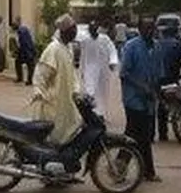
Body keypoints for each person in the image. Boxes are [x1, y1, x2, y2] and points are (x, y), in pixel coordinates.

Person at [119, 17, 163, 182]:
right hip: (133, 99)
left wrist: (157, 92)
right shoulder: (131, 47)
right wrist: (142, 87)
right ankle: (124, 168)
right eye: (146, 28)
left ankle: (142, 170)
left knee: (142, 135)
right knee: (136, 134)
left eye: (152, 28)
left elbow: (158, 73)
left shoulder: (157, 47)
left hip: (149, 101)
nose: (150, 31)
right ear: (139, 29)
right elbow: (124, 73)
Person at [30, 13, 82, 146]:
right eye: (73, 29)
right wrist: (38, 91)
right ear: (65, 31)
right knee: (53, 134)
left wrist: (76, 90)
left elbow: (72, 74)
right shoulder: (53, 49)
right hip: (54, 102)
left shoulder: (68, 48)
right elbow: (41, 75)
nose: (75, 32)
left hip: (67, 100)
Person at [78, 20, 119, 118]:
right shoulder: (85, 41)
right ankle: (92, 113)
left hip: (103, 70)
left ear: (97, 29)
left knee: (103, 92)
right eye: (91, 28)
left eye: (94, 28)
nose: (93, 30)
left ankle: (101, 113)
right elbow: (82, 56)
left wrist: (112, 62)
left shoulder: (105, 39)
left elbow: (112, 50)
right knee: (90, 91)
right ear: (89, 30)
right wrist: (82, 70)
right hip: (89, 70)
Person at [12, 17, 36, 86]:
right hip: (27, 50)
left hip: (27, 50)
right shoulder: (22, 29)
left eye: (13, 25)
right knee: (21, 63)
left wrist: (24, 52)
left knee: (30, 65)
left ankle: (28, 80)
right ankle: (24, 78)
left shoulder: (21, 31)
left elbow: (24, 43)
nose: (12, 27)